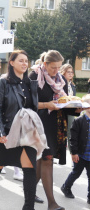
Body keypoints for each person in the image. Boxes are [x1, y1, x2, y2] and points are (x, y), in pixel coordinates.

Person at [0, 50, 42, 210]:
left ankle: (28, 207)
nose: (24, 63)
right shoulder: (3, 83)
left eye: (26, 60)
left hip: (26, 134)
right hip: (7, 131)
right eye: (21, 60)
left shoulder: (30, 84)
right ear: (12, 62)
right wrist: (0, 132)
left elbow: (32, 109)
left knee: (30, 167)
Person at [29, 50, 81, 210]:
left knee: (42, 162)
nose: (56, 71)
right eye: (53, 67)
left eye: (59, 67)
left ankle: (29, 194)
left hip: (53, 126)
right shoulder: (34, 76)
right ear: (45, 64)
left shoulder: (60, 79)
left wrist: (76, 109)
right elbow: (26, 103)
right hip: (36, 124)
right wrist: (46, 105)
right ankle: (52, 203)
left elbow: (62, 103)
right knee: (46, 161)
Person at [60, 94, 90, 204]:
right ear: (85, 106)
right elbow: (73, 139)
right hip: (81, 154)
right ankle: (66, 187)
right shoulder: (78, 121)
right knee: (76, 173)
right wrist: (74, 153)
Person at [60, 64, 76, 145]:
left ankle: (72, 151)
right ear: (63, 73)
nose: (70, 74)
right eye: (68, 72)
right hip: (62, 110)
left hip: (71, 110)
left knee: (71, 131)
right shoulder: (60, 84)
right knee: (62, 132)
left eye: (72, 72)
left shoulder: (72, 85)